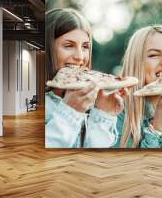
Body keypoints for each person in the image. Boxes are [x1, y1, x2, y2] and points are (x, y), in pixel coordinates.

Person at [45, 8, 126, 148]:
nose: (80, 57)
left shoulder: (89, 101)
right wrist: (70, 111)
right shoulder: (42, 105)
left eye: (85, 47)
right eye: (68, 46)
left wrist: (104, 113)